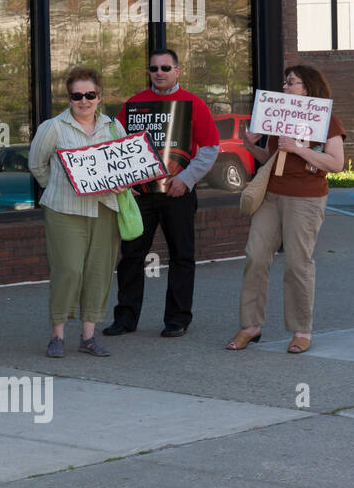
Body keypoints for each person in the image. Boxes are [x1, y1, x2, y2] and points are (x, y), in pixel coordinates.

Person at [227, 65, 346, 354]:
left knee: (297, 263)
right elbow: (268, 159)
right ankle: (250, 326)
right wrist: (248, 145)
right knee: (255, 255)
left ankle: (301, 330)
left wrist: (298, 148)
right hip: (271, 195)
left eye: (291, 83)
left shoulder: (326, 119)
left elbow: (336, 164)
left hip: (305, 199)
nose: (285, 87)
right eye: (285, 82)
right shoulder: (277, 116)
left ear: (308, 87)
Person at [104, 49, 220, 338]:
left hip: (178, 192)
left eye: (166, 67)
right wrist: (126, 180)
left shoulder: (193, 104)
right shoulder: (133, 104)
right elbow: (117, 145)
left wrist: (187, 178)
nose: (159, 72)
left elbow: (209, 148)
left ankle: (177, 319)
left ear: (177, 71)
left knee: (182, 256)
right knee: (131, 256)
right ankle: (126, 318)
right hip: (140, 194)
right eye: (154, 68)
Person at [29, 67, 121, 358]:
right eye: (77, 95)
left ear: (99, 96)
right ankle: (57, 335)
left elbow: (124, 166)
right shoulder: (53, 127)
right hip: (65, 210)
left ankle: (88, 337)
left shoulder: (113, 127)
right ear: (68, 98)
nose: (84, 101)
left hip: (104, 209)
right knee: (68, 271)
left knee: (99, 272)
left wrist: (120, 184)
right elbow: (36, 165)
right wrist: (57, 186)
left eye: (90, 95)